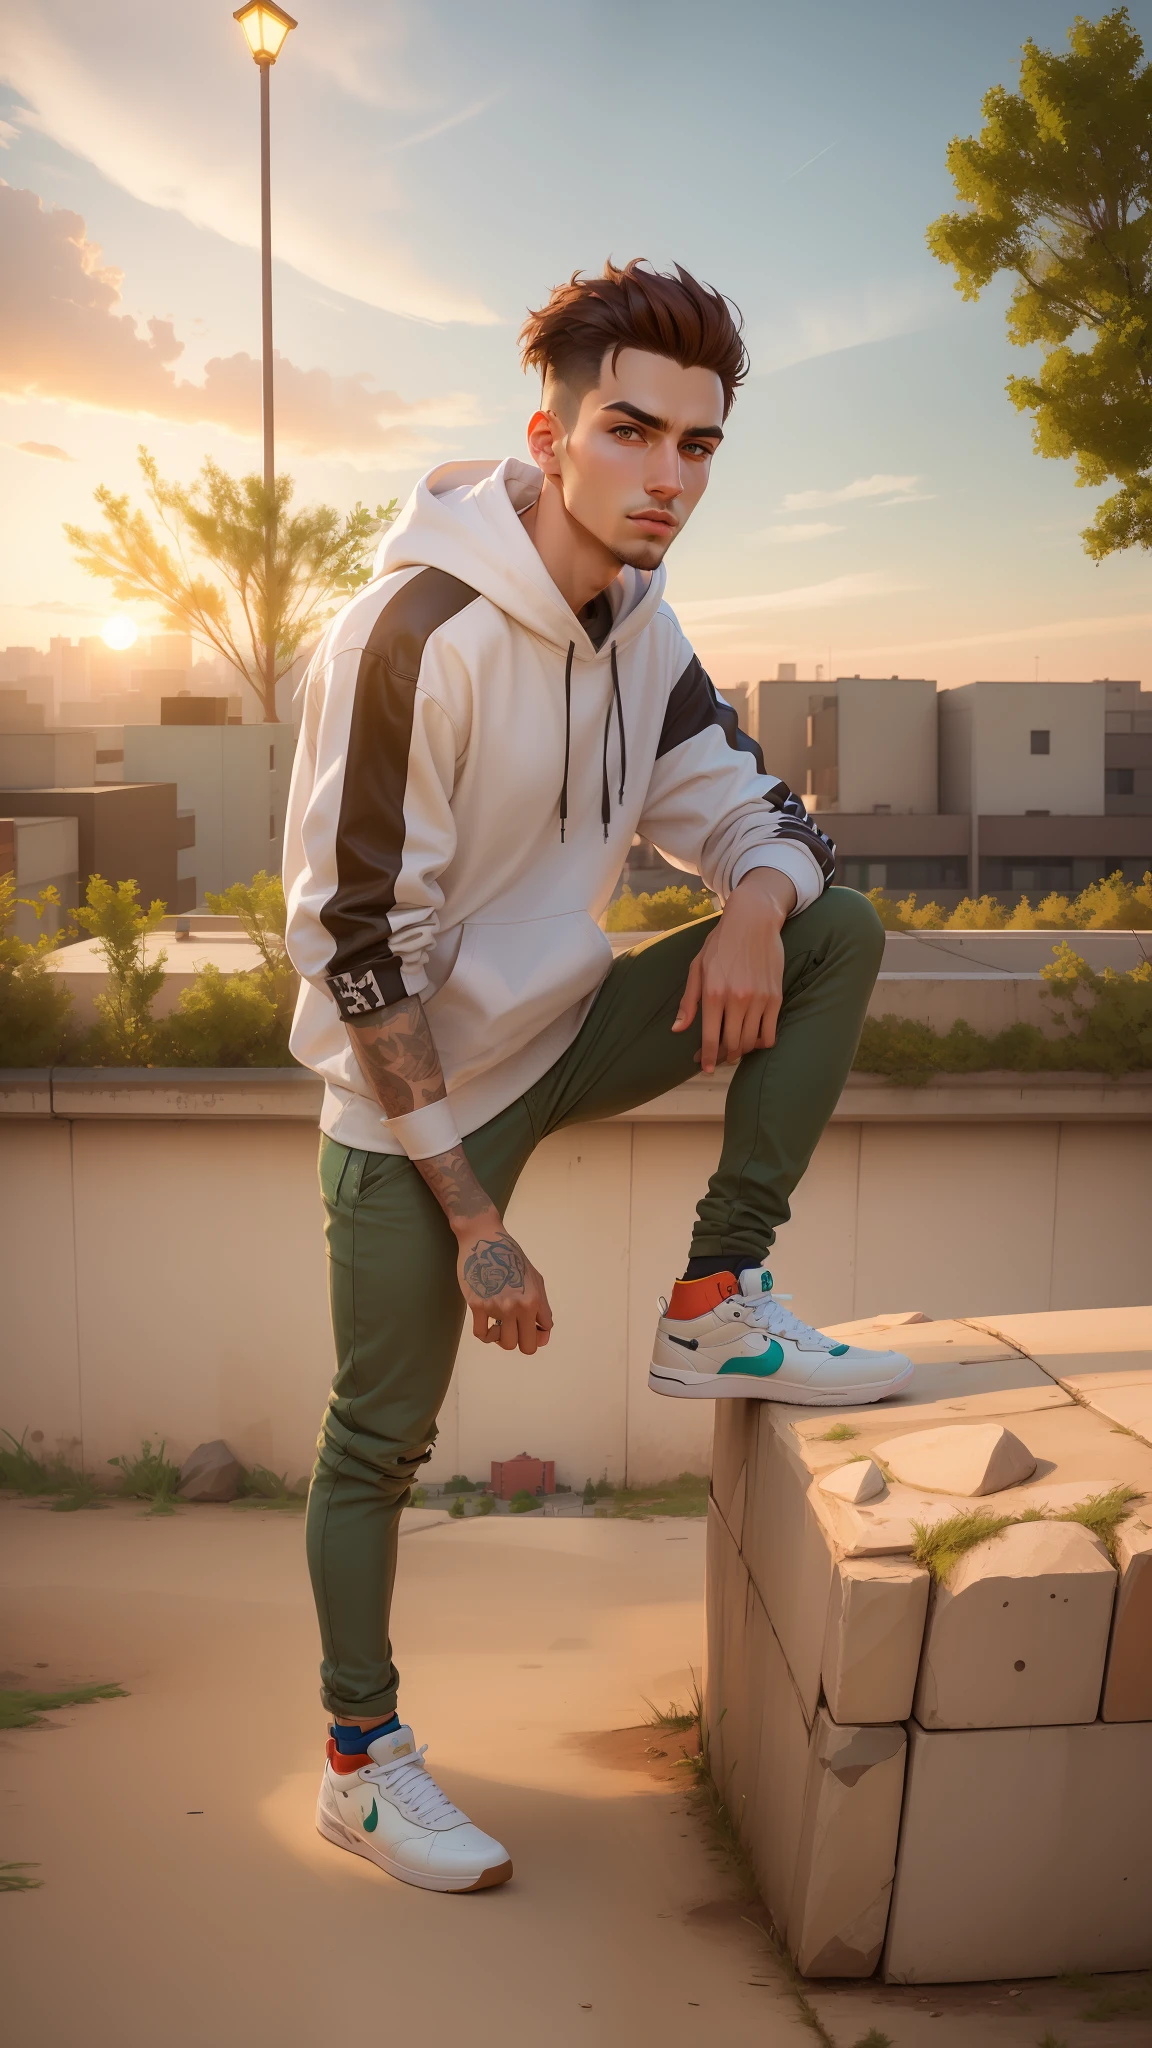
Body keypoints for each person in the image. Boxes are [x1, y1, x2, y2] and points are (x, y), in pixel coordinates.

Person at [283, 258, 911, 1896]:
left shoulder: (643, 624)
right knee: (378, 1444)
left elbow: (751, 810)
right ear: (549, 432)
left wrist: (757, 908)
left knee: (838, 925)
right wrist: (476, 1215)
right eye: (634, 432)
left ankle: (720, 1292)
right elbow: (355, 951)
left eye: (700, 448)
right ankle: (361, 1761)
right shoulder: (410, 635)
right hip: (412, 1104)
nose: (669, 479)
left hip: (560, 1034)